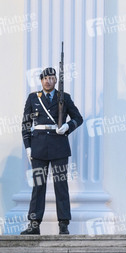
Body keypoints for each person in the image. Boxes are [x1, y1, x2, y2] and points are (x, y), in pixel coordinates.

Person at [21, 67, 83, 235]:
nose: (48, 81)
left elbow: (79, 118)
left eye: (51, 78)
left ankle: (63, 223)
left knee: (61, 186)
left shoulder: (64, 97)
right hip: (39, 147)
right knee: (38, 186)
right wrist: (28, 147)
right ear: (41, 80)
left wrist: (68, 127)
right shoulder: (33, 98)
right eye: (45, 78)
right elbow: (26, 124)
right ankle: (34, 224)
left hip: (59, 146)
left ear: (56, 80)